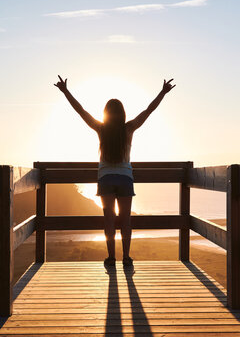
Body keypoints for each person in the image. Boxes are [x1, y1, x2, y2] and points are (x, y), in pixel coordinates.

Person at [54, 75, 176, 267]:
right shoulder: (129, 129)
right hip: (125, 179)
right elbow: (148, 111)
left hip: (106, 179)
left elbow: (81, 112)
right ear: (123, 114)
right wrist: (163, 92)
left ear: (106, 114)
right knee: (126, 221)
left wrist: (65, 91)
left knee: (109, 221)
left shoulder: (101, 129)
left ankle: (111, 258)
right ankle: (126, 258)